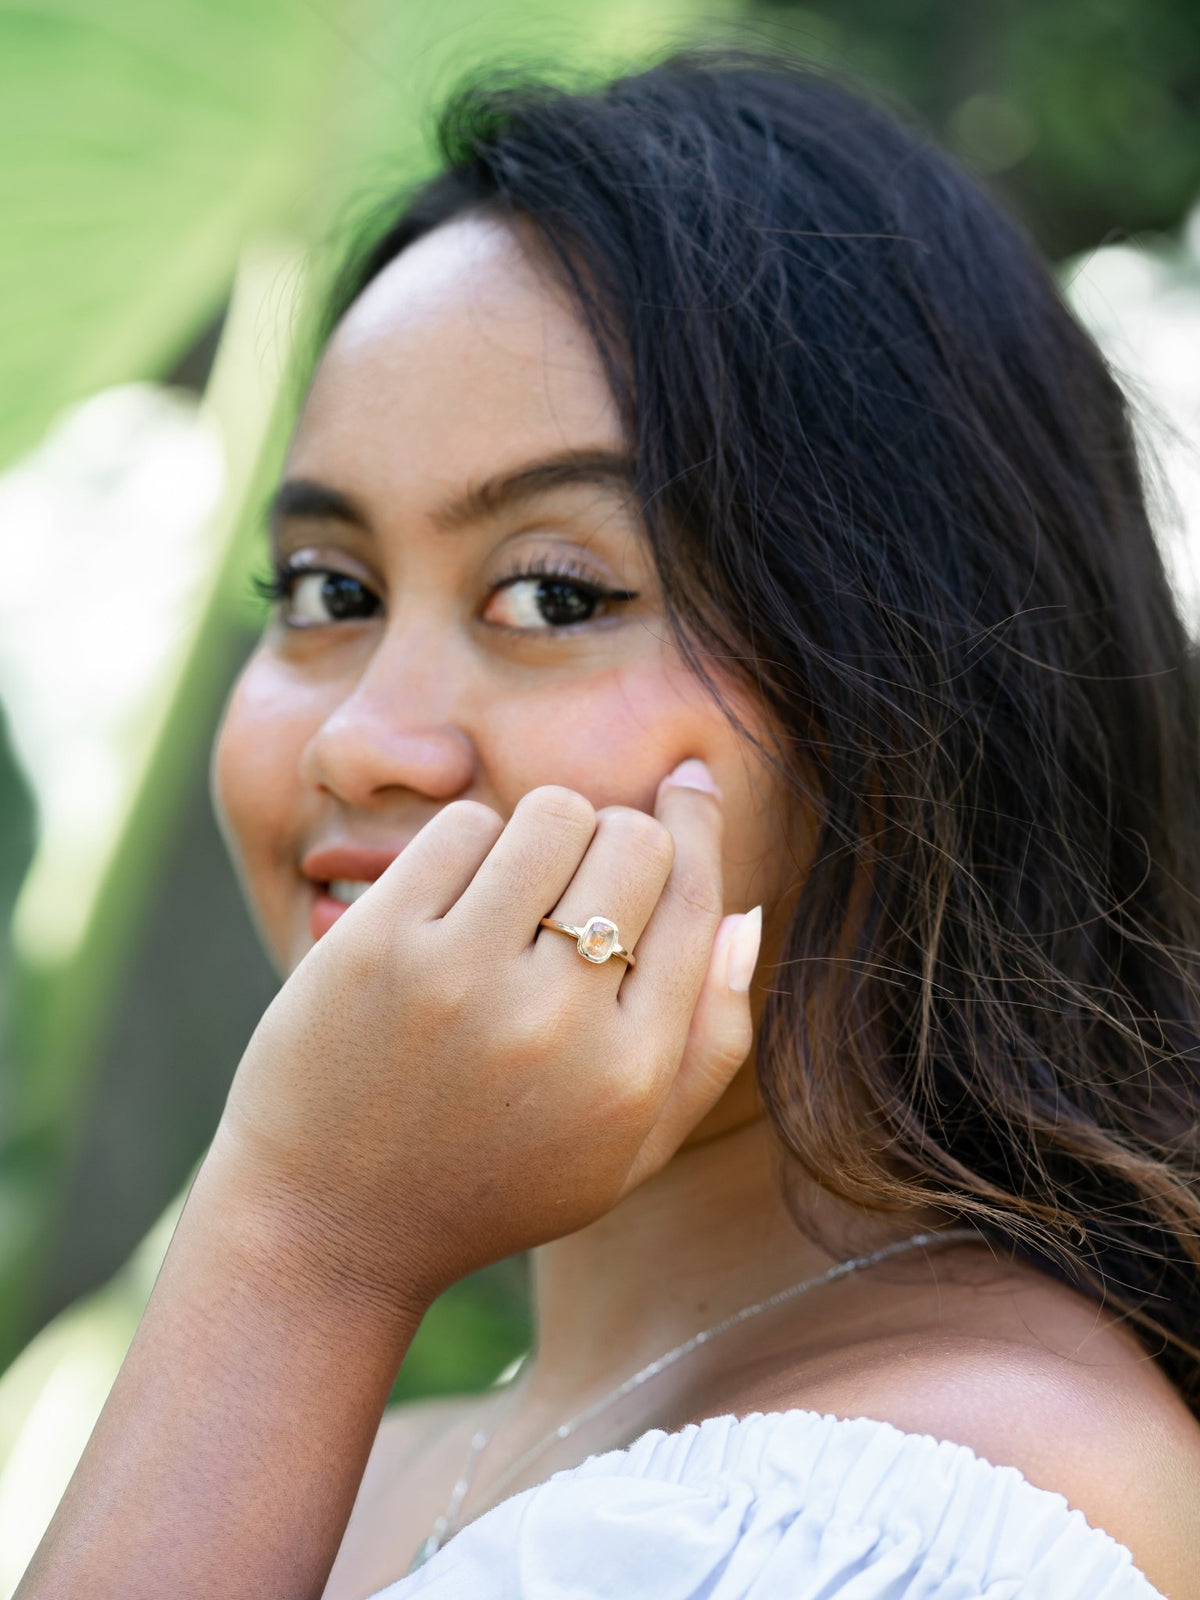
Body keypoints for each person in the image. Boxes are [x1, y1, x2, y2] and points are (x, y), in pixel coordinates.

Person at [18, 50, 1200, 1600]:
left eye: (556, 593)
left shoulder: (910, 1514)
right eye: (329, 591)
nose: (366, 737)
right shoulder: (367, 1461)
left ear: (909, 685)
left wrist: (298, 1251)